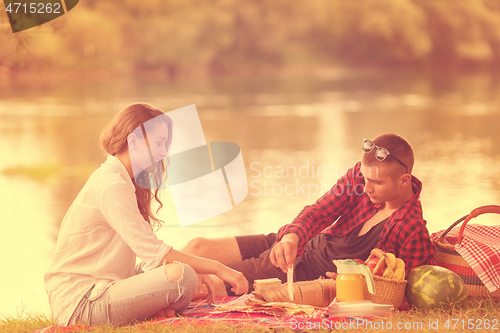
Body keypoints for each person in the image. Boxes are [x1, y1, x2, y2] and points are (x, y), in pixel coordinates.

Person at [44, 103, 248, 327]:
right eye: (159, 143)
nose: (163, 153)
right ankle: (152, 312)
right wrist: (219, 268)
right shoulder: (111, 185)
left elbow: (150, 256)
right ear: (133, 140)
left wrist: (199, 267)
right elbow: (157, 254)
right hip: (82, 304)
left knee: (184, 271)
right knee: (182, 276)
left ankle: (152, 311)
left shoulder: (120, 180)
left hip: (103, 287)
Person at [182, 133, 434, 296]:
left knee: (209, 281)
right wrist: (292, 237)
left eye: (376, 184)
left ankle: (151, 293)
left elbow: (400, 290)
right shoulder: (362, 174)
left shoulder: (411, 229)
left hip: (302, 271)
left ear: (404, 181)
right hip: (296, 243)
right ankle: (147, 278)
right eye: (365, 178)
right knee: (197, 246)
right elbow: (318, 213)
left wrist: (351, 282)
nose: (366, 188)